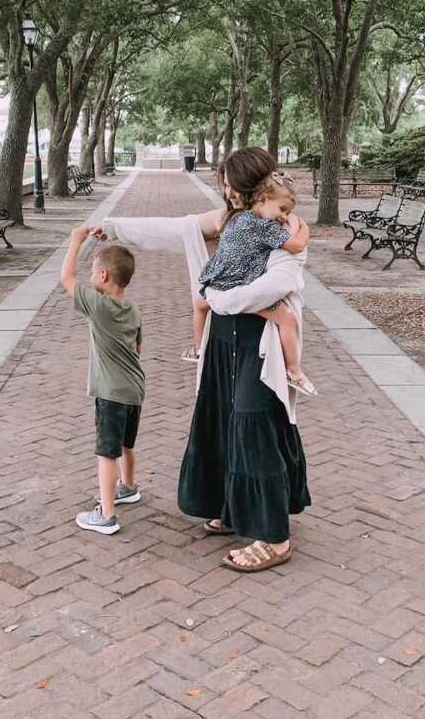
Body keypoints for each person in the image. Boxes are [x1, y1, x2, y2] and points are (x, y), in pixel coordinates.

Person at [92, 146, 310, 573]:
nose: (226, 190)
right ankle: (231, 505)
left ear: (254, 185)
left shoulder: (283, 228)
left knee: (254, 421)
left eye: (233, 183)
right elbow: (174, 229)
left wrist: (215, 297)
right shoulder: (228, 220)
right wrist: (112, 227)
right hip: (222, 341)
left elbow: (275, 287)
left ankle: (275, 536)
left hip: (257, 343)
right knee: (224, 419)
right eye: (224, 183)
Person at [185, 172, 317, 396]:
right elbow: (296, 246)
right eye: (282, 209)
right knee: (288, 320)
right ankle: (294, 372)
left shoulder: (238, 218)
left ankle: (198, 350)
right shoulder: (264, 226)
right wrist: (305, 226)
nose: (284, 217)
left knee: (199, 305)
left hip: (214, 282)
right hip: (236, 288)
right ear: (264, 198)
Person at [60, 226, 145, 535]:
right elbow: (138, 346)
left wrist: (75, 240)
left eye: (94, 272)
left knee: (105, 452)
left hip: (111, 393)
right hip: (134, 389)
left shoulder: (99, 307)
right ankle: (128, 487)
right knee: (126, 444)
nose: (91, 277)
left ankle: (107, 514)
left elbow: (67, 279)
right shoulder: (132, 310)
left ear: (105, 276)